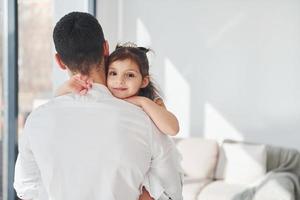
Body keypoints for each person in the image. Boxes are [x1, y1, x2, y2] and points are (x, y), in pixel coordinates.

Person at [14, 11, 183, 200]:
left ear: (60, 62)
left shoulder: (37, 121)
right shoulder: (145, 120)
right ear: (106, 49)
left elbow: (25, 187)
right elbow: (172, 192)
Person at [56, 43, 179, 136]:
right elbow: (59, 104)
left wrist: (142, 102)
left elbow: (173, 129)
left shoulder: (152, 102)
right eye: (113, 73)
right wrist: (65, 87)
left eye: (130, 75)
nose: (119, 81)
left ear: (144, 81)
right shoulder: (104, 95)